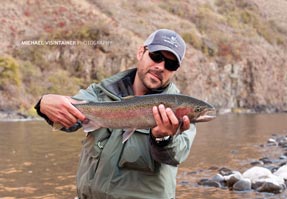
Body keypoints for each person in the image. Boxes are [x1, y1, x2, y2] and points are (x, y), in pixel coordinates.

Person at [35, 29, 196, 199]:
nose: (161, 67)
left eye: (170, 65)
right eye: (156, 56)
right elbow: (69, 114)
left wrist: (163, 139)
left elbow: (176, 155)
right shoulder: (101, 93)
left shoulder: (180, 110)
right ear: (141, 52)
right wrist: (44, 103)